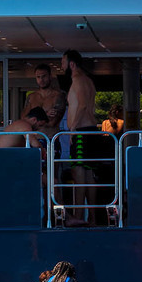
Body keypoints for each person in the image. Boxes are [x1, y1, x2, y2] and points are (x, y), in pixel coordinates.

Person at [60, 50, 99, 219]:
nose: (61, 67)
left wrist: (73, 130)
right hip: (88, 130)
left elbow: (82, 106)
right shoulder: (88, 80)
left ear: (71, 64)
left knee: (79, 173)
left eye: (62, 63)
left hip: (82, 132)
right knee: (88, 173)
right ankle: (91, 216)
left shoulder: (78, 80)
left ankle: (78, 215)